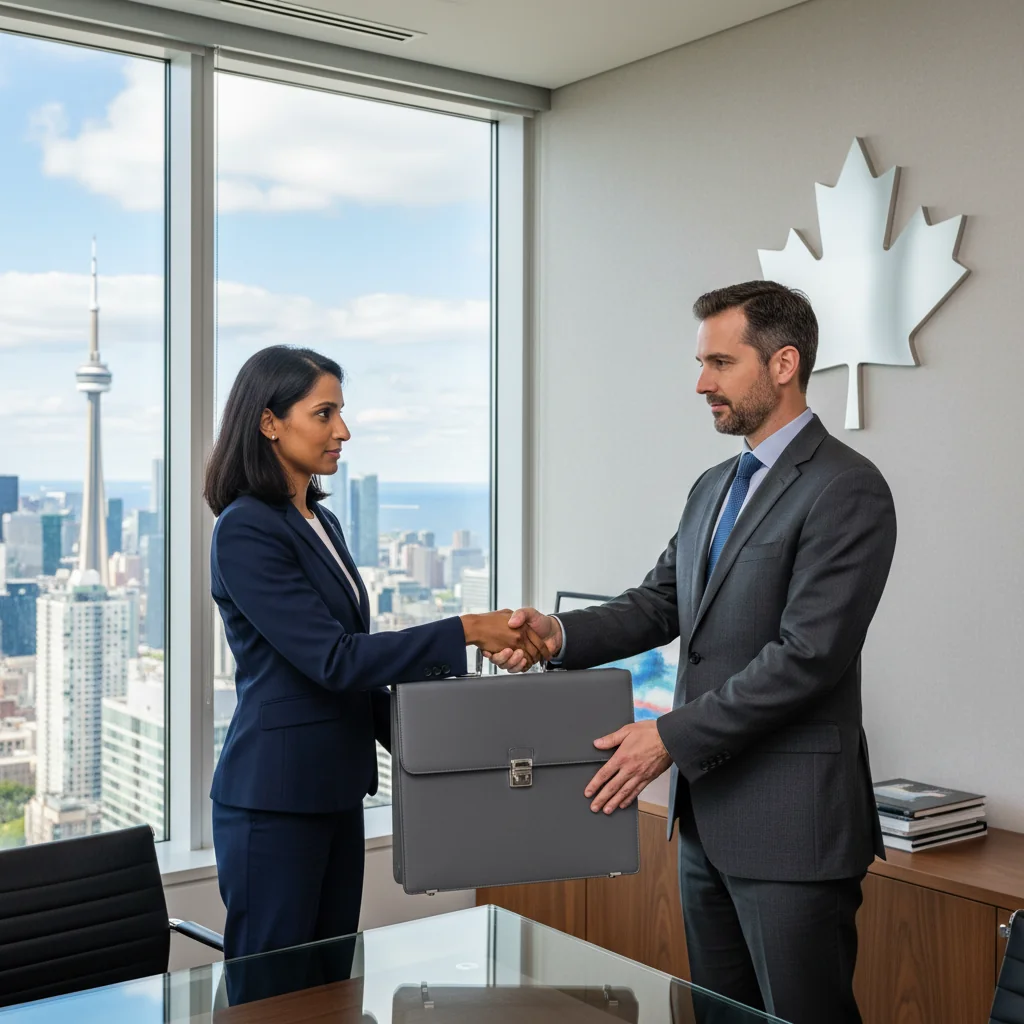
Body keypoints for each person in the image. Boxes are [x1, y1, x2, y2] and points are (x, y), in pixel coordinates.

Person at [490, 282, 897, 1024]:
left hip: (791, 830)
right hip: (706, 821)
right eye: (700, 362)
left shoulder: (847, 488)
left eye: (719, 361)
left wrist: (667, 739)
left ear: (783, 364)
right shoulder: (713, 486)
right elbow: (660, 603)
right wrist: (557, 635)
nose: (701, 382)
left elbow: (807, 656)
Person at [205, 345, 543, 963]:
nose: (343, 431)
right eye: (324, 413)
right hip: (274, 801)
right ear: (269, 422)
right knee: (273, 992)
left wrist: (452, 751)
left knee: (334, 979)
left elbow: (353, 683)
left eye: (341, 412)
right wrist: (466, 628)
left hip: (334, 791)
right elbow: (334, 660)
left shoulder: (318, 521)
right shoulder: (247, 527)